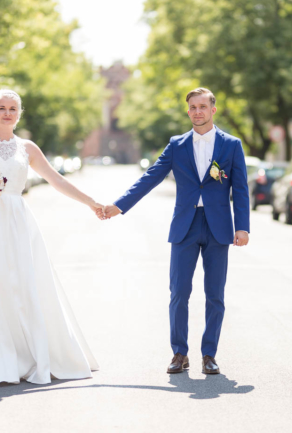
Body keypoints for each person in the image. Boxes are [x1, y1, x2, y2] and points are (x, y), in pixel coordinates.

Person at [0, 89, 105, 387]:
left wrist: (92, 202)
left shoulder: (27, 148)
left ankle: (25, 354)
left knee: (22, 285)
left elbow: (57, 180)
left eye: (13, 108)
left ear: (19, 113)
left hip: (17, 222)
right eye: (1, 108)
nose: (7, 113)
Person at [103, 87, 250, 375]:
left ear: (213, 110)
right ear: (188, 111)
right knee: (179, 292)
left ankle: (209, 354)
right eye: (193, 107)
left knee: (215, 294)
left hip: (218, 228)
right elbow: (151, 177)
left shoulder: (231, 145)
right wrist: (119, 205)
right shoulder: (177, 145)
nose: (198, 111)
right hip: (185, 226)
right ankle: (179, 353)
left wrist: (242, 226)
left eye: (203, 106)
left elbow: (241, 189)